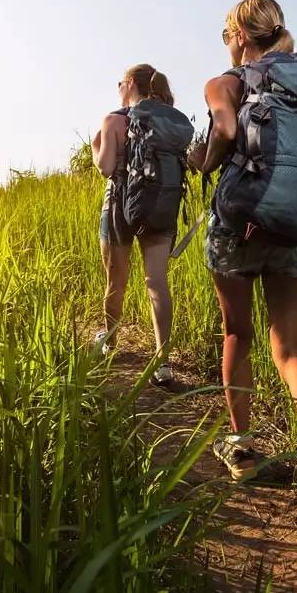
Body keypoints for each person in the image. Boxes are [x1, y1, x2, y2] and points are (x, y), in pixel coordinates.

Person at [187, 0, 297, 555]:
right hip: (293, 228)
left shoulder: (228, 80)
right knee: (291, 349)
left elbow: (224, 134)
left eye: (226, 34)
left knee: (238, 333)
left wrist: (201, 158)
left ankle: (241, 448)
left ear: (239, 33)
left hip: (238, 227)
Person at [91, 64, 189, 386]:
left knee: (115, 281)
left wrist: (95, 148)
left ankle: (111, 342)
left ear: (130, 83)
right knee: (156, 282)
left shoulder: (114, 119)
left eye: (120, 82)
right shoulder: (164, 120)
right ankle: (163, 363)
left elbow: (106, 167)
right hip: (159, 203)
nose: (118, 87)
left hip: (119, 204)